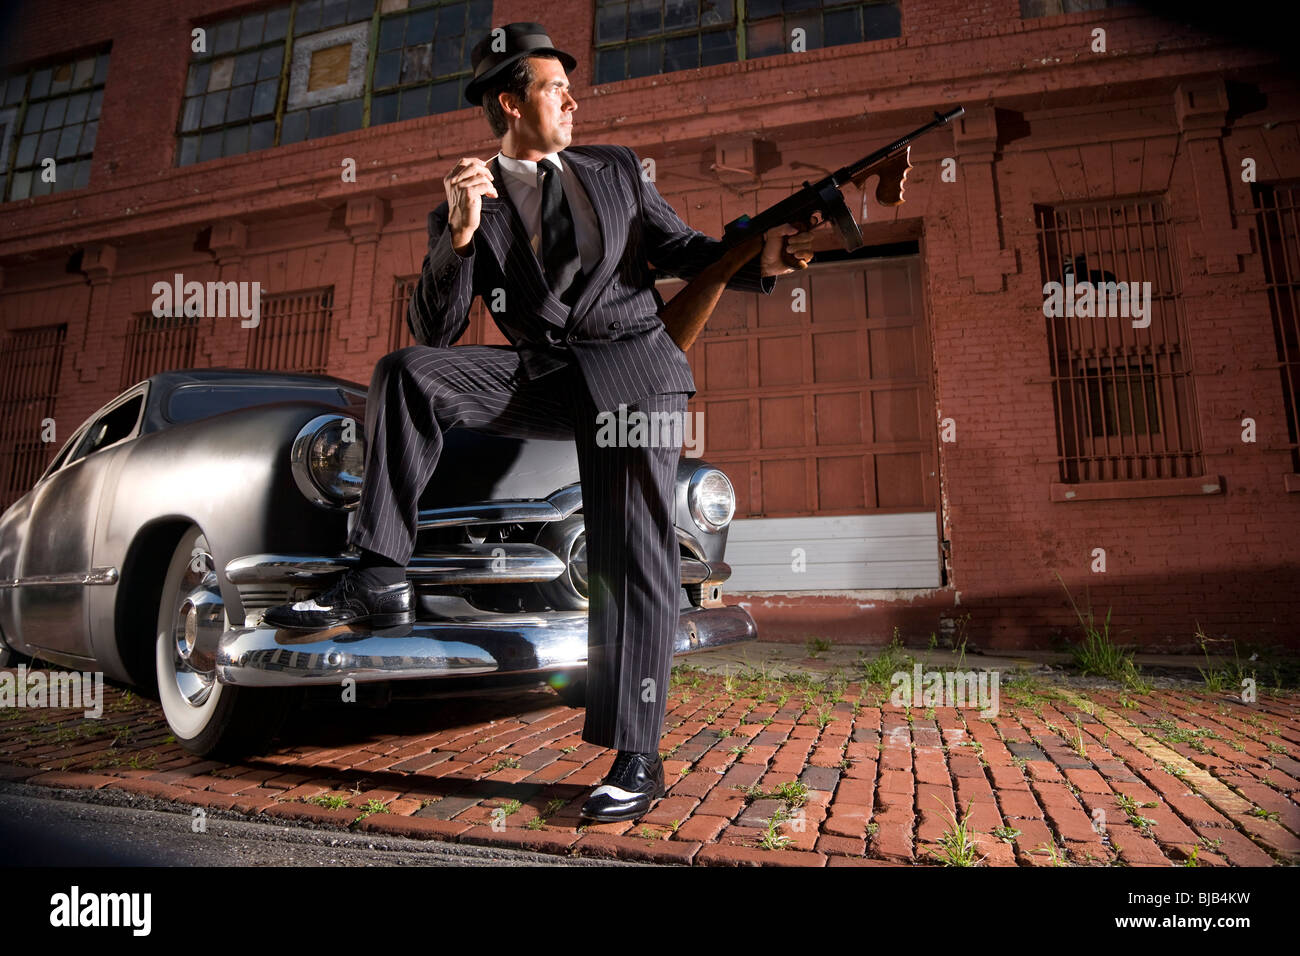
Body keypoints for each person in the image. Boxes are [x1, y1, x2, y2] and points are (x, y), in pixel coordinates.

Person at [264, 22, 815, 822]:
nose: (573, 99)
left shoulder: (616, 171)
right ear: (509, 101)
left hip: (633, 375)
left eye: (569, 86)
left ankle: (637, 755)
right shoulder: (471, 198)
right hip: (545, 380)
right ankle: (377, 576)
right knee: (406, 373)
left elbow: (691, 250)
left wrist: (768, 254)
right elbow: (435, 330)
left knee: (632, 556)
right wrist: (455, 241)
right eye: (556, 87)